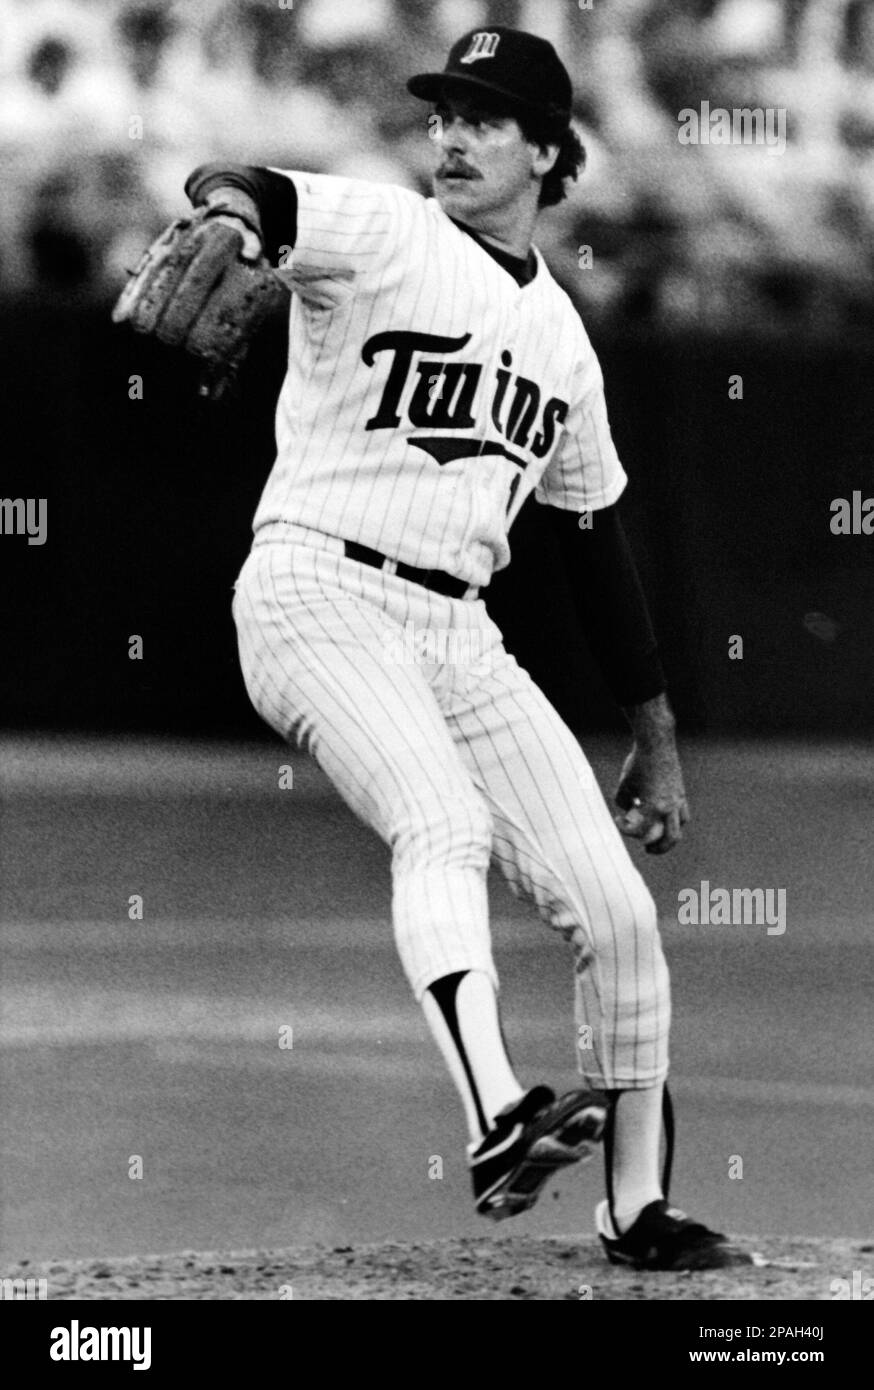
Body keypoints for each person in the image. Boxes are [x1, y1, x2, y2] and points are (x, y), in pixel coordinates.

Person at [185, 25, 747, 1270]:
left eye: (486, 119)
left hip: (456, 627)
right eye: (444, 113)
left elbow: (593, 544)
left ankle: (636, 1210)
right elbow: (258, 191)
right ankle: (500, 1117)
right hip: (314, 587)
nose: (451, 135)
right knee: (439, 823)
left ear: (549, 153)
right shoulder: (385, 231)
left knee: (616, 911)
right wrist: (227, 217)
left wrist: (653, 734)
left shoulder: (563, 343)